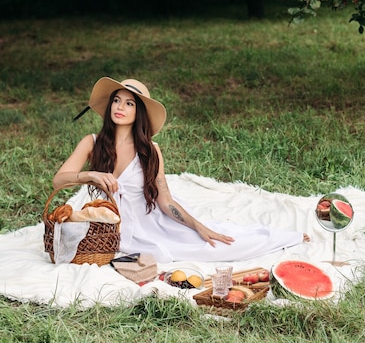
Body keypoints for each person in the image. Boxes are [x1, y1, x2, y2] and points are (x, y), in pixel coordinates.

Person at [53, 77, 310, 263]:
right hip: (107, 228)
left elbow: (165, 200)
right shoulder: (93, 142)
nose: (120, 107)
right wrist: (90, 174)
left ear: (139, 111)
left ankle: (285, 237)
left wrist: (197, 225)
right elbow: (59, 181)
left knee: (213, 246)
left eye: (129, 104)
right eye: (117, 101)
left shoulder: (150, 150)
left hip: (149, 224)